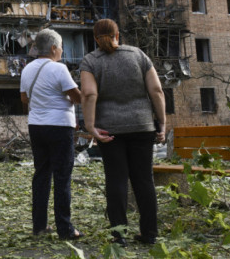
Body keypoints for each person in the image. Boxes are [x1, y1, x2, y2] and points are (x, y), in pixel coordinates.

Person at [79, 19, 166, 246]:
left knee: (116, 181)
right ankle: (149, 234)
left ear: (95, 38)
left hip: (110, 130)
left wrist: (90, 126)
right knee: (143, 181)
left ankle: (119, 237)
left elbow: (88, 94)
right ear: (118, 34)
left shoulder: (90, 60)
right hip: (142, 125)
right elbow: (156, 90)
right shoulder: (138, 55)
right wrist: (162, 123)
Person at [19, 29, 83, 239]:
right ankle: (65, 228)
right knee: (62, 176)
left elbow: (24, 100)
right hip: (59, 127)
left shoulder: (27, 69)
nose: (62, 51)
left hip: (36, 126)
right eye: (61, 47)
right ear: (54, 48)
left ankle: (39, 226)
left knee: (41, 175)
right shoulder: (59, 68)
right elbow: (77, 97)